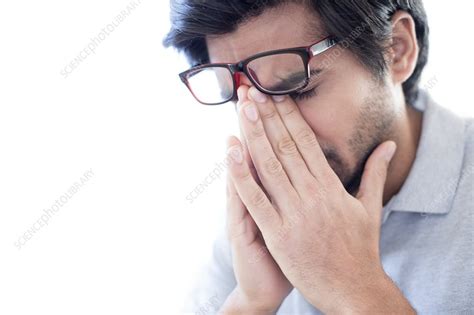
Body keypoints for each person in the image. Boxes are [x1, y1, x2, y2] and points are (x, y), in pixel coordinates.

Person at [164, 1, 473, 313]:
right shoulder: (253, 222)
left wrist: (356, 287)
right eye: (240, 100)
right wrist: (251, 302)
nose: (273, 131)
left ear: (397, 48)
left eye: (298, 89)